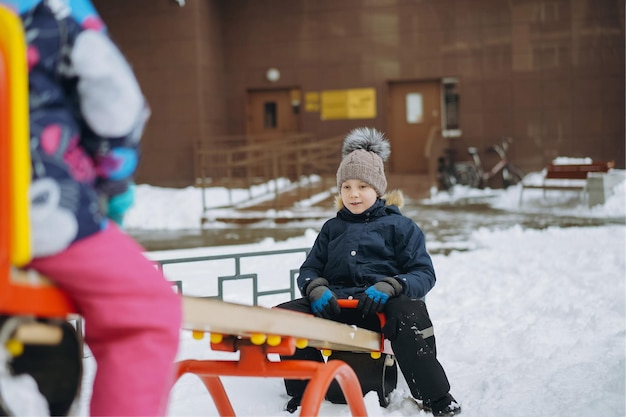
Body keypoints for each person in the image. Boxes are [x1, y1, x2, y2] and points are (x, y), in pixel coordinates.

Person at [1, 0, 182, 415]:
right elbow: (116, 103)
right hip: (35, 212)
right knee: (144, 314)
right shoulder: (57, 14)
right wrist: (112, 184)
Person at [276, 127, 461, 416]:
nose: (354, 194)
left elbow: (423, 273)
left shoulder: (400, 227)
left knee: (406, 311)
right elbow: (310, 268)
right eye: (346, 187)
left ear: (378, 189)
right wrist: (315, 288)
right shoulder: (332, 229)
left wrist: (391, 286)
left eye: (363, 186)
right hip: (337, 307)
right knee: (285, 315)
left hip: (382, 309)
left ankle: (436, 397)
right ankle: (305, 387)